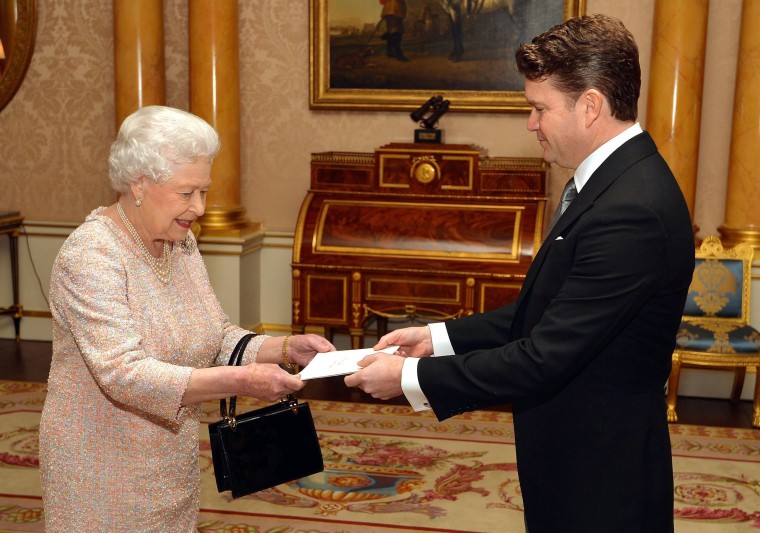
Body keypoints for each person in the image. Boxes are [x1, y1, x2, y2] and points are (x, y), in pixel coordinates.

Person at [345, 14, 694, 533]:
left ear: (590, 106)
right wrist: (436, 338)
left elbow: (545, 355)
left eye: (538, 108)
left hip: (601, 470)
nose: (531, 124)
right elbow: (546, 314)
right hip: (576, 452)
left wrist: (409, 378)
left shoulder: (631, 207)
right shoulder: (613, 183)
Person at [38, 105, 335, 532]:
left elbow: (215, 336)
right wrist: (243, 381)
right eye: (186, 192)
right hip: (100, 464)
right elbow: (123, 373)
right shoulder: (92, 255)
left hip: (168, 456)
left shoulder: (181, 242)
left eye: (204, 191)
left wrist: (286, 347)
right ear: (138, 183)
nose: (198, 207)